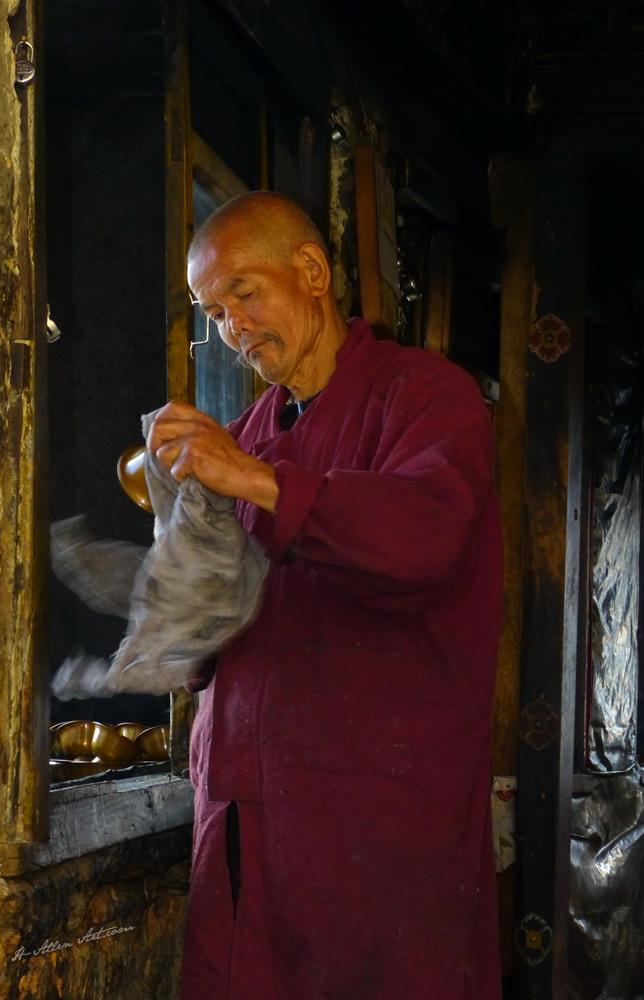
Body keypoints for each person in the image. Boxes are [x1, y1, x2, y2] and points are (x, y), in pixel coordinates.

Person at [148, 191, 503, 1000]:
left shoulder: (425, 396)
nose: (234, 328)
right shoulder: (247, 436)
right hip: (244, 824)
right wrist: (180, 541)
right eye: (215, 312)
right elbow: (197, 648)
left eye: (244, 293)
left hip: (374, 835)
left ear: (311, 271)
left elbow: (424, 541)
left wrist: (255, 483)